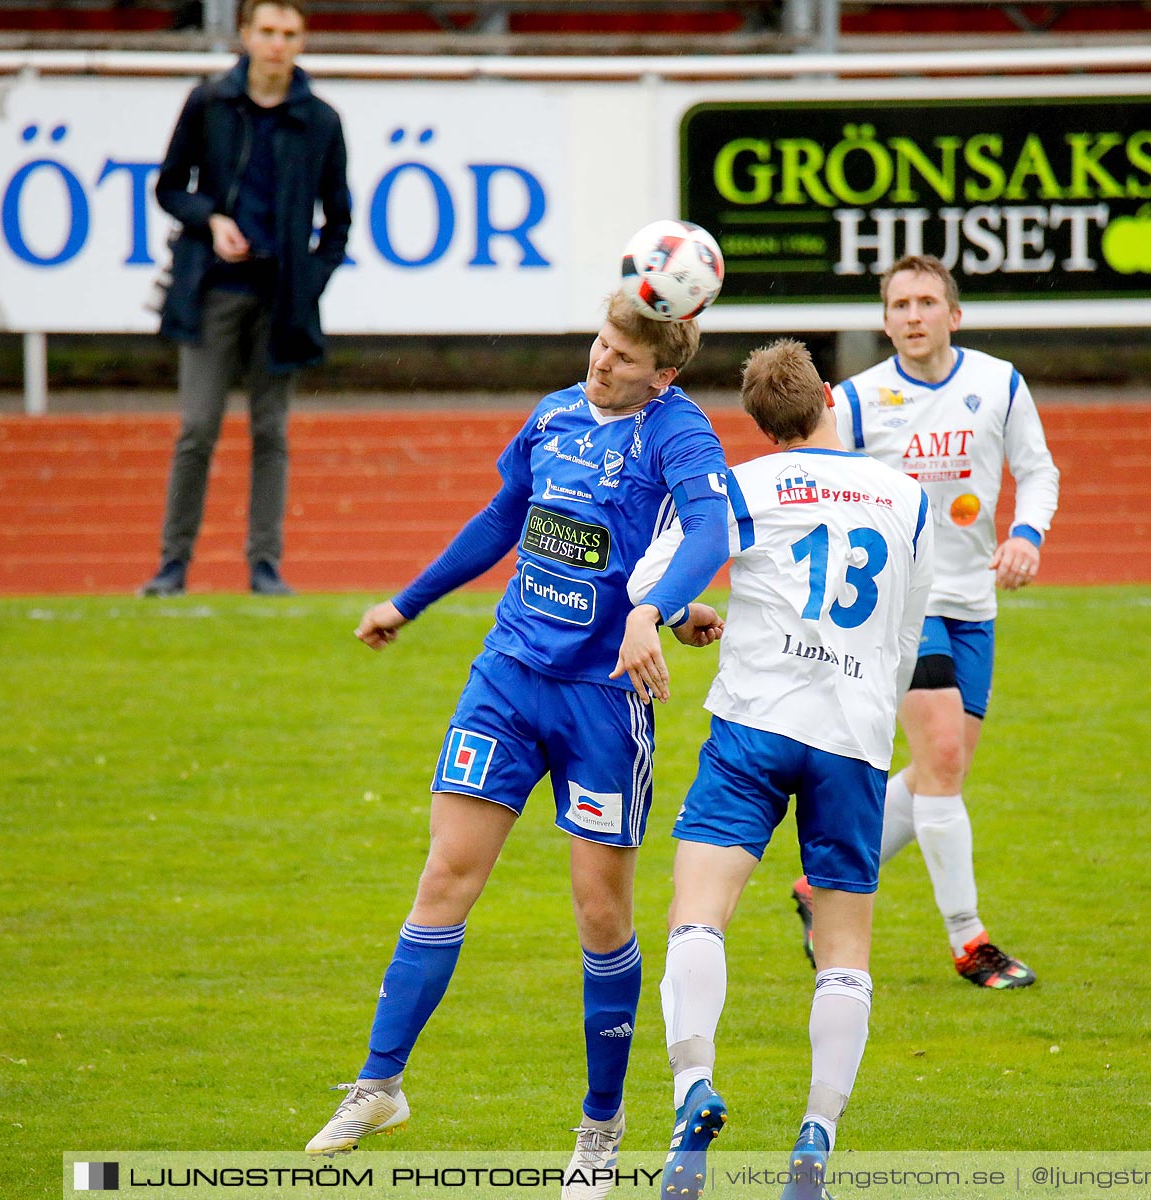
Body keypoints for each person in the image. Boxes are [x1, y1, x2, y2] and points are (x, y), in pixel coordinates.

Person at [304, 292, 732, 1200]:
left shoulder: (679, 435)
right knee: (444, 877)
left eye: (622, 354)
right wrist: (407, 602)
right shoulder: (552, 416)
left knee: (598, 915)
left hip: (604, 704)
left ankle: (601, 1130)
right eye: (600, 342)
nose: (600, 360)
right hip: (507, 675)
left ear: (664, 369)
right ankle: (379, 1086)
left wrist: (659, 613)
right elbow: (506, 519)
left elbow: (709, 531)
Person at [628, 340, 932, 1200]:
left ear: (760, 428)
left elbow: (652, 580)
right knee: (843, 954)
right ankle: (817, 1137)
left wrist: (682, 614)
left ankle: (694, 1087)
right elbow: (909, 632)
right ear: (831, 396)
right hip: (854, 742)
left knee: (698, 917)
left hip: (754, 728)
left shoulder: (745, 485)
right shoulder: (908, 499)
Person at [792, 253, 1059, 990]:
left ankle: (820, 883)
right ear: (885, 321)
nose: (912, 316)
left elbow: (1038, 471)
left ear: (953, 314)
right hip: (904, 604)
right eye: (899, 305)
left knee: (944, 769)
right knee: (942, 755)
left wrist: (1027, 534)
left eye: (925, 302)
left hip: (974, 599)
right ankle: (969, 941)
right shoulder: (854, 401)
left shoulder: (998, 384)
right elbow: (814, 485)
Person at [139, 0, 351, 599]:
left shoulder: (321, 121)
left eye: (289, 34)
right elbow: (169, 187)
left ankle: (264, 567)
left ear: (302, 41)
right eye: (267, 32)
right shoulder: (209, 103)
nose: (277, 44)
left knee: (271, 432)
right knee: (197, 428)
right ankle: (171, 566)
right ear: (245, 35)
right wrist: (211, 221)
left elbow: (337, 221)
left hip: (281, 299)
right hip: (211, 290)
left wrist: (309, 281)